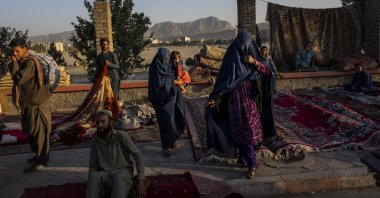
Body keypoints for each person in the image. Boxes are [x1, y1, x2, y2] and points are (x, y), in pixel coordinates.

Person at [205, 31, 270, 179]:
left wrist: (255, 62)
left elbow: (268, 72)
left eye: (246, 45)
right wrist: (215, 99)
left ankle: (247, 161)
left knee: (248, 133)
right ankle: (248, 162)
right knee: (241, 132)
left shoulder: (253, 58)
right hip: (234, 103)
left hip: (250, 102)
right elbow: (223, 82)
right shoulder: (231, 58)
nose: (243, 48)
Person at [8, 37, 52, 173]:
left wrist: (14, 64)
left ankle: (42, 160)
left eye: (17, 51)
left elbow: (18, 79)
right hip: (28, 102)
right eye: (13, 51)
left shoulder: (30, 62)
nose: (14, 54)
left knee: (40, 132)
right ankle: (38, 155)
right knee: (30, 130)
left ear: (24, 49)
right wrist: (15, 63)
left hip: (37, 102)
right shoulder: (21, 61)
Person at [86, 110, 146, 198]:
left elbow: (138, 156)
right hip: (105, 174)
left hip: (123, 172)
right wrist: (91, 182)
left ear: (111, 122)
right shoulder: (95, 141)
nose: (99, 125)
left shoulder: (121, 136)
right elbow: (93, 165)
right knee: (93, 177)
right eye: (97, 122)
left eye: (103, 122)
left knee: (118, 177)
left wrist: (140, 180)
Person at [148, 48, 186, 158]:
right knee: (166, 121)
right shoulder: (155, 68)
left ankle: (173, 141)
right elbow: (158, 84)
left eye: (167, 59)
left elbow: (173, 73)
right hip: (160, 100)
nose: (165, 61)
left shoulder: (168, 66)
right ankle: (166, 147)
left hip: (171, 97)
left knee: (175, 118)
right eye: (163, 59)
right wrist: (174, 82)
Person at [260, 46, 281, 149]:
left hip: (268, 77)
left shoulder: (268, 58)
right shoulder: (259, 58)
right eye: (263, 50)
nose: (264, 52)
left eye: (265, 50)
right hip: (262, 77)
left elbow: (272, 66)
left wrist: (276, 72)